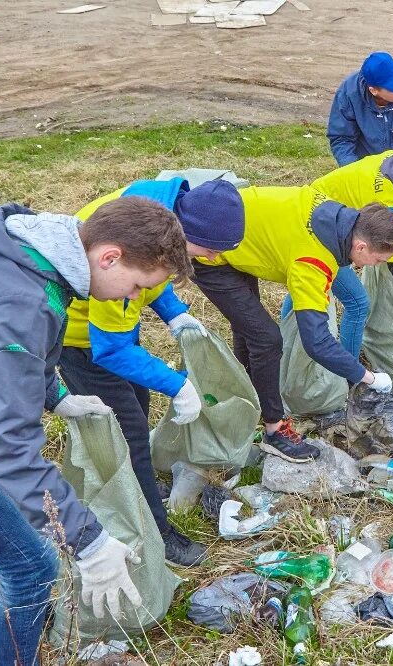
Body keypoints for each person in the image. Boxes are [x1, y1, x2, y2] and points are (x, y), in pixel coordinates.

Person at [0, 198, 192, 663]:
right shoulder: (14, 298)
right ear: (108, 256)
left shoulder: (33, 255)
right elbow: (11, 448)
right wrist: (90, 542)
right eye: (136, 286)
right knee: (32, 563)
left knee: (20, 534)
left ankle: (14, 608)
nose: (132, 300)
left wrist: (54, 395)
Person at [192, 187, 393, 463]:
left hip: (238, 236)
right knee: (267, 340)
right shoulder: (314, 260)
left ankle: (249, 396)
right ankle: (274, 430)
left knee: (251, 329)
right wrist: (366, 377)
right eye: (378, 259)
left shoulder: (334, 212)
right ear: (360, 246)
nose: (374, 266)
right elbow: (316, 342)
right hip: (211, 251)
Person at [59, 177, 245, 567]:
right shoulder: (118, 265)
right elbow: (111, 349)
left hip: (113, 335)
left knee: (137, 405)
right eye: (208, 250)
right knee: (126, 423)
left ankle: (138, 484)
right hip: (81, 343)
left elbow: (151, 279)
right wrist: (177, 385)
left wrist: (174, 313)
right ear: (186, 232)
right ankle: (157, 535)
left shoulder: (157, 220)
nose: (211, 260)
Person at [279, 144, 393, 359]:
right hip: (318, 232)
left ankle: (283, 344)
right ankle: (350, 377)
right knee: (357, 303)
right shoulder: (388, 205)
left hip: (313, 207)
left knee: (303, 288)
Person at [327, 51, 393, 167]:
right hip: (364, 167)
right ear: (374, 90)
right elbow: (341, 138)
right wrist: (356, 171)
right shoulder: (348, 93)